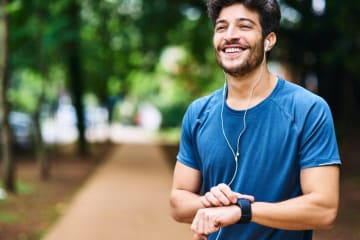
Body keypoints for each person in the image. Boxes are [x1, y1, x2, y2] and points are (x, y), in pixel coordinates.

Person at [169, 0, 341, 239]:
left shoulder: (308, 110)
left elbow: (324, 209)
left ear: (268, 40)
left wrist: (243, 211)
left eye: (244, 26)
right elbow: (178, 202)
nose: (230, 36)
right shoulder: (198, 113)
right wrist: (210, 203)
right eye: (221, 27)